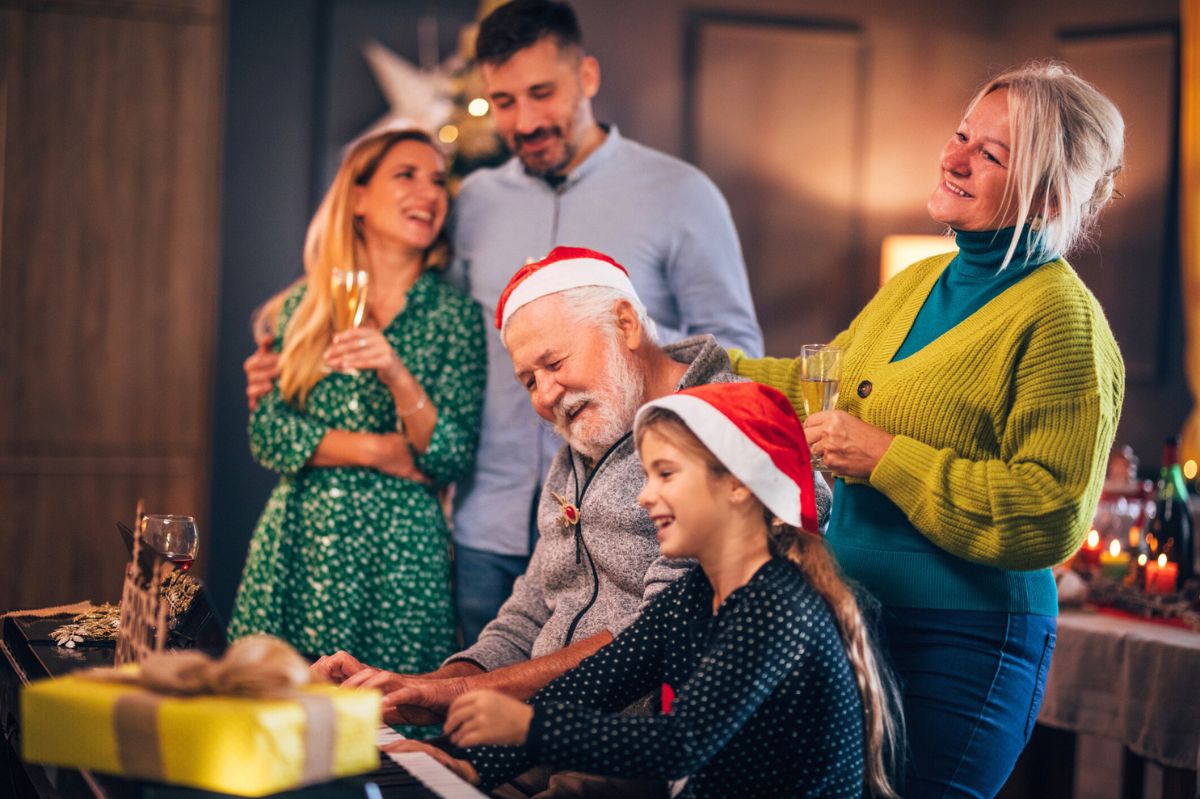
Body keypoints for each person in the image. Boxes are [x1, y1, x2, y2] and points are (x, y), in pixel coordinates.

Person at [245, 0, 764, 646]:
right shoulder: (476, 203)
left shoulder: (680, 194)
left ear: (588, 78)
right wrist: (292, 347)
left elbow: (734, 356)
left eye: (542, 93)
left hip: (628, 522)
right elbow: (417, 310)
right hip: (485, 526)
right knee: (478, 715)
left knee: (594, 711)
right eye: (503, 102)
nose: (525, 120)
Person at [731, 61, 1126, 797]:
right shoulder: (917, 283)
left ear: (1049, 194)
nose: (953, 159)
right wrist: (696, 367)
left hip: (964, 645)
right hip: (853, 619)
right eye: (960, 135)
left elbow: (1049, 514)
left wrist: (887, 457)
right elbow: (815, 390)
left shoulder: (1063, 321)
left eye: (991, 154)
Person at [314, 249, 830, 794]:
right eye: (529, 381)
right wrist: (449, 708)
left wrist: (492, 714)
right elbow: (584, 642)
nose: (546, 395)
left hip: (624, 753)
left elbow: (671, 721)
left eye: (554, 364)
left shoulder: (730, 456)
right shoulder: (583, 446)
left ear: (626, 324)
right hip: (555, 731)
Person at [388, 382, 899, 799]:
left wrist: (528, 725)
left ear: (739, 483)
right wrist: (469, 766)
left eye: (666, 474)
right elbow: (590, 685)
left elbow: (681, 743)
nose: (644, 494)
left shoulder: (778, 603)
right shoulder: (695, 595)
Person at [228, 129, 487, 695]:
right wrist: (379, 450)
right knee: (273, 714)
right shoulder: (302, 307)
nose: (430, 192)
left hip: (400, 558)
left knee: (391, 721)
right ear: (359, 196)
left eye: (439, 180)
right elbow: (268, 432)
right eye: (407, 174)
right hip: (301, 541)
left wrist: (395, 372)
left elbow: (447, 454)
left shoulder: (455, 317)